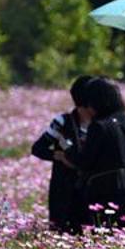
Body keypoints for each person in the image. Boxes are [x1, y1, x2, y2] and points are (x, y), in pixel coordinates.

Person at [59, 77, 125, 229]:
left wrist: (66, 151)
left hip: (106, 190)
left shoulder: (99, 126)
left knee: (104, 236)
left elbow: (84, 162)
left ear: (95, 102)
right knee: (122, 236)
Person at [31, 75, 93, 234]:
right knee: (63, 231)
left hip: (90, 189)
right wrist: (58, 156)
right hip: (64, 188)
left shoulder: (102, 124)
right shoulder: (63, 122)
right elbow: (38, 148)